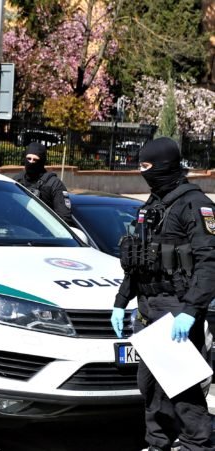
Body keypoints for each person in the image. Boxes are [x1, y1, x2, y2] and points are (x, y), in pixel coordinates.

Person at [110, 137, 215, 451]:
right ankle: (158, 444)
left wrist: (191, 310)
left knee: (181, 385)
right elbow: (139, 260)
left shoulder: (194, 204)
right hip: (147, 308)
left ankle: (197, 444)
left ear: (165, 164)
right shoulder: (153, 204)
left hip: (176, 309)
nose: (142, 172)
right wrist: (120, 302)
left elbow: (210, 261)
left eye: (146, 166)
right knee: (150, 386)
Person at [14, 142, 75, 226]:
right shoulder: (17, 180)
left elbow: (64, 218)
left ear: (42, 161)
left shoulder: (54, 184)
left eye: (35, 160)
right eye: (29, 158)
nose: (31, 162)